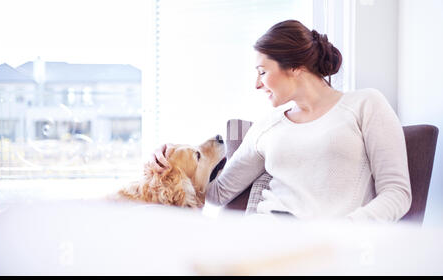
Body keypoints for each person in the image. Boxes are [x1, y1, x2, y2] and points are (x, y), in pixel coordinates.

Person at [151, 20, 412, 222]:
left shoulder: (365, 104)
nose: (256, 84)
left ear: (296, 66)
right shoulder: (267, 125)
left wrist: (345, 232)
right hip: (262, 238)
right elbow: (217, 194)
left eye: (262, 72)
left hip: (328, 249)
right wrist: (166, 164)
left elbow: (397, 194)